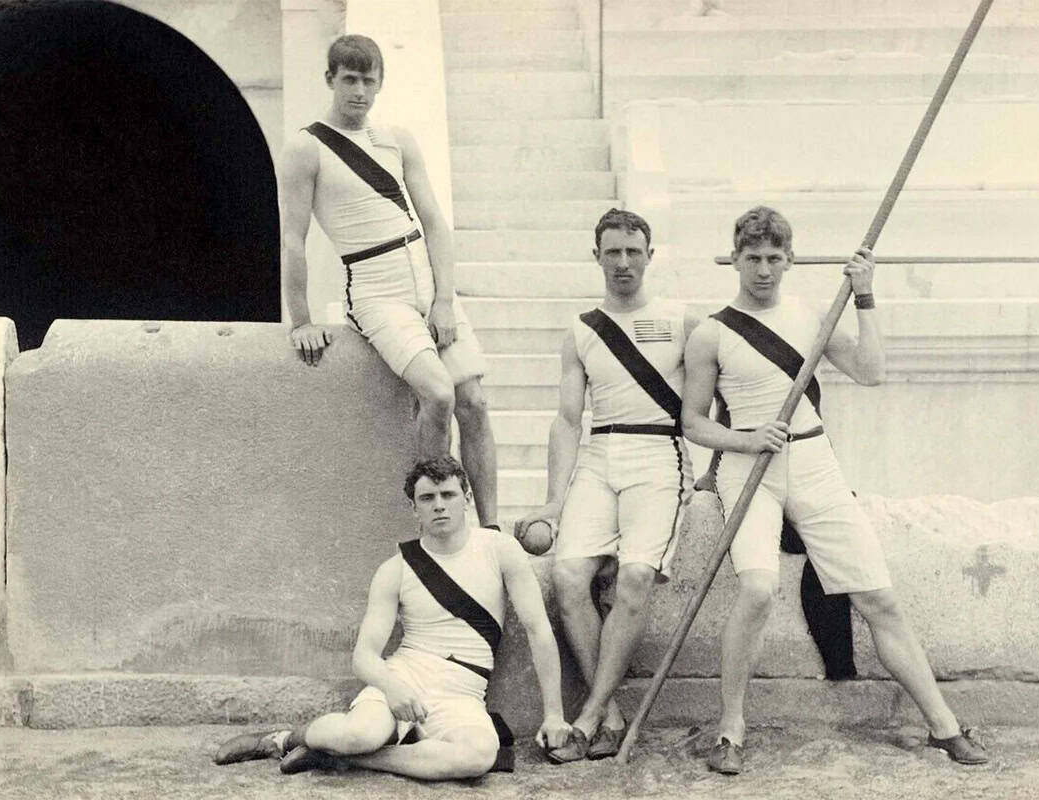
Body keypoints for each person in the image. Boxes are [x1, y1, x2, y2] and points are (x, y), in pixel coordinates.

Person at [681, 206, 989, 774]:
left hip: (814, 459)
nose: (765, 271)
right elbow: (694, 423)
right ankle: (731, 728)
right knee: (756, 590)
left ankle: (944, 726)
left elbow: (870, 372)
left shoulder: (811, 317)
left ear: (791, 259)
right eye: (753, 259)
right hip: (749, 468)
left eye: (775, 259)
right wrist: (746, 440)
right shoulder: (712, 332)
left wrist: (866, 296)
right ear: (735, 259)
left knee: (879, 598)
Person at [214, 455, 572, 779]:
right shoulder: (396, 569)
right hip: (404, 676)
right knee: (358, 734)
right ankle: (282, 739)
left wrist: (554, 714)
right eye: (427, 499)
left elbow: (538, 631)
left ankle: (342, 759)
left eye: (448, 495)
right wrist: (392, 687)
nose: (439, 506)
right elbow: (364, 656)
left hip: (462, 692)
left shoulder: (500, 550)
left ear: (467, 499)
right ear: (414, 508)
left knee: (479, 756)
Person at [280, 34, 498, 527]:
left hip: (425, 276)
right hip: (375, 288)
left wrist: (444, 299)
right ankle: (434, 520)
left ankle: (490, 528)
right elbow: (293, 239)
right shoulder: (305, 146)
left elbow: (436, 224)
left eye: (368, 80)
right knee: (438, 394)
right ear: (330, 80)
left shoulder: (396, 138)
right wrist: (301, 321)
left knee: (475, 402)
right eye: (349, 79)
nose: (359, 91)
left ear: (380, 83)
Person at [514, 209, 703, 762]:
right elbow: (569, 420)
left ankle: (591, 714)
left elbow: (713, 400)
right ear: (596, 256)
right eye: (613, 252)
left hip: (659, 453)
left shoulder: (683, 321)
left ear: (650, 255)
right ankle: (612, 713)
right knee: (570, 576)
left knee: (636, 577)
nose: (624, 263)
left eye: (633, 251)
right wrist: (555, 496)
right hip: (601, 454)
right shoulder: (580, 330)